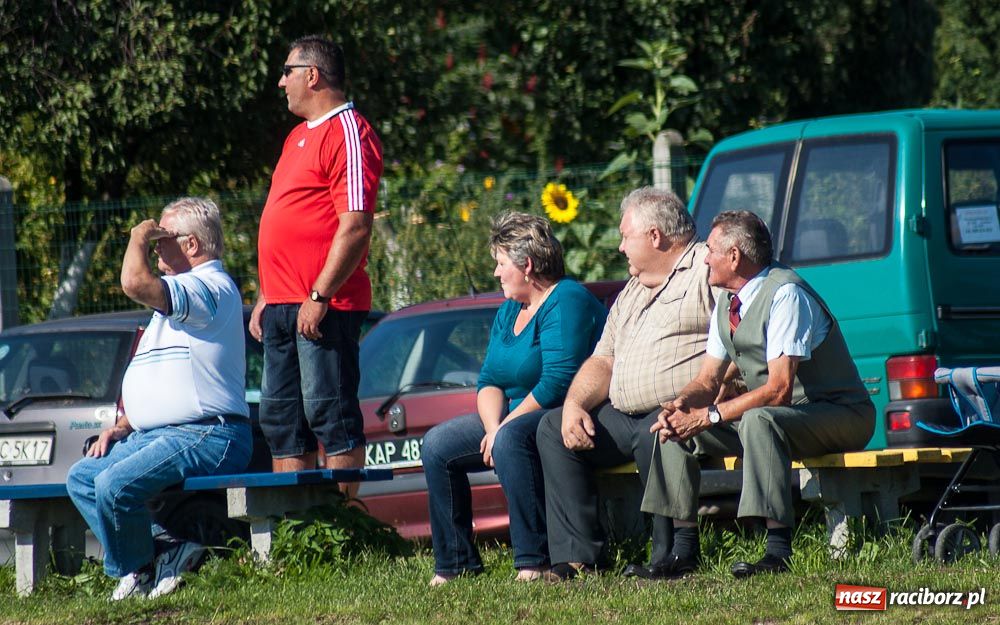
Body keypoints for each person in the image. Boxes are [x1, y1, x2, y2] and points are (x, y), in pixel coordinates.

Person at [641, 210, 875, 578]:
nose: (703, 257)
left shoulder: (786, 294)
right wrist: (683, 405)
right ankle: (682, 552)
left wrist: (711, 415)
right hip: (778, 418)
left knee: (760, 419)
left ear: (734, 257)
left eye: (711, 249)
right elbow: (707, 379)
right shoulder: (727, 302)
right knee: (675, 431)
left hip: (837, 413)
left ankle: (777, 552)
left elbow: (779, 390)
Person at [66, 197, 253, 600]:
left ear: (191, 246)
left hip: (207, 433)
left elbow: (133, 282)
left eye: (161, 240)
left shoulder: (207, 287)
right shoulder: (180, 297)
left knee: (114, 485)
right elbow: (164, 377)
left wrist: (135, 237)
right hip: (162, 434)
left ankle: (141, 565)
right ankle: (160, 555)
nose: (153, 249)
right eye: (151, 242)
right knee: (83, 478)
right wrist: (121, 427)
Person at [535, 186, 719, 581]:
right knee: (552, 427)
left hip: (682, 412)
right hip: (624, 416)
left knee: (657, 430)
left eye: (625, 236)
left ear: (655, 236)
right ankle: (579, 557)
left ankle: (668, 554)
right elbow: (603, 359)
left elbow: (738, 339)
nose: (620, 247)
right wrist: (574, 406)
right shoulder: (632, 290)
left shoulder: (708, 269)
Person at [421, 212, 607, 586]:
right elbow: (489, 379)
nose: (495, 273)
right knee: (437, 445)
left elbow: (558, 381)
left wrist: (502, 429)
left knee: (510, 438)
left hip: (560, 411)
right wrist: (493, 426)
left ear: (528, 265)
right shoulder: (510, 309)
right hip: (513, 415)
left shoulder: (566, 299)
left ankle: (533, 560)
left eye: (501, 263)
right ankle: (455, 563)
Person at [250, 35, 383, 490]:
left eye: (287, 71)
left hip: (324, 306)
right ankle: (295, 537)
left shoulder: (348, 130)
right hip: (284, 305)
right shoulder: (295, 138)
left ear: (313, 74)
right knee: (283, 422)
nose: (281, 82)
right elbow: (286, 220)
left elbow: (356, 226)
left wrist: (318, 294)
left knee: (330, 413)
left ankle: (345, 532)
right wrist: (267, 294)